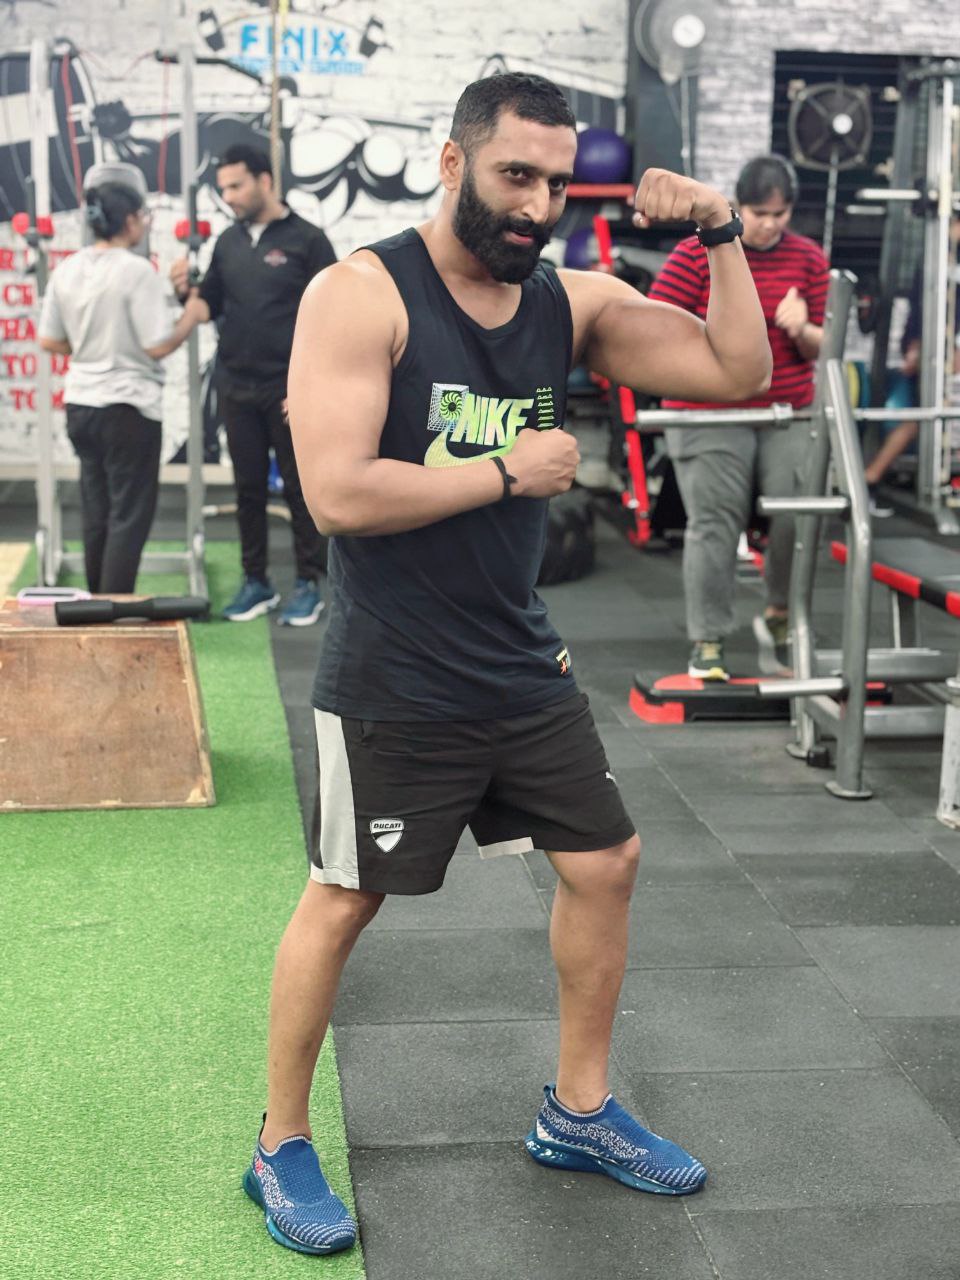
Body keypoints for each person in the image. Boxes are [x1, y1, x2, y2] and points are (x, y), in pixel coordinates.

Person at [242, 72, 771, 1257]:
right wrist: (504, 472)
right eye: (514, 176)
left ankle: (576, 1109)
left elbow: (738, 371)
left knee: (608, 860)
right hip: (393, 671)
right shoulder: (359, 293)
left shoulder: (569, 300)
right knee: (344, 899)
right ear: (453, 160)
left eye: (554, 182)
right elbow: (334, 493)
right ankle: (279, 1139)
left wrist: (721, 232)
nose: (535, 204)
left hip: (518, 665)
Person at [648, 154, 830, 679]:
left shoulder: (809, 260)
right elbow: (658, 333)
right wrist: (720, 334)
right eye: (759, 212)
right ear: (738, 205)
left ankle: (780, 616)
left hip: (785, 411)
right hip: (709, 411)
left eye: (780, 213)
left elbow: (824, 348)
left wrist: (801, 329)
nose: (770, 224)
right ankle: (708, 640)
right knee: (716, 523)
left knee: (800, 514)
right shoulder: (694, 255)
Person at [170, 144, 337, 625]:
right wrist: (177, 309)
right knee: (247, 489)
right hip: (236, 385)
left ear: (265, 181)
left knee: (300, 489)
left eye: (237, 185)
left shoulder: (308, 240)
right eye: (223, 188)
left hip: (289, 390)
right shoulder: (227, 241)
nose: (229, 196)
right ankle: (256, 581)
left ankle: (309, 582)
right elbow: (209, 304)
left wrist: (310, 385)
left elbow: (331, 320)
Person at [38, 182, 195, 594]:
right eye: (142, 216)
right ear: (129, 220)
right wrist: (192, 315)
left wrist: (91, 345)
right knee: (128, 513)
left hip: (82, 408)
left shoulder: (68, 268)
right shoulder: (135, 271)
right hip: (127, 409)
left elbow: (50, 341)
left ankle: (96, 605)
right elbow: (158, 344)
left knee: (98, 509)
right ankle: (112, 611)